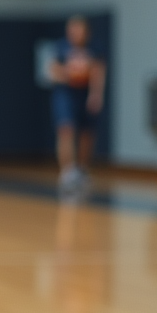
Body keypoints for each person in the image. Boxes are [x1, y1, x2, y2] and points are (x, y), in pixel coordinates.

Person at [48, 15, 105, 196]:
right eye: (72, 29)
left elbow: (99, 72)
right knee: (66, 129)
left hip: (85, 94)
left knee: (87, 134)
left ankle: (82, 170)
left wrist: (96, 95)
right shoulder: (61, 47)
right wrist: (70, 73)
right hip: (65, 94)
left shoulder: (94, 48)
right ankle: (67, 171)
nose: (75, 33)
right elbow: (52, 72)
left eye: (79, 29)